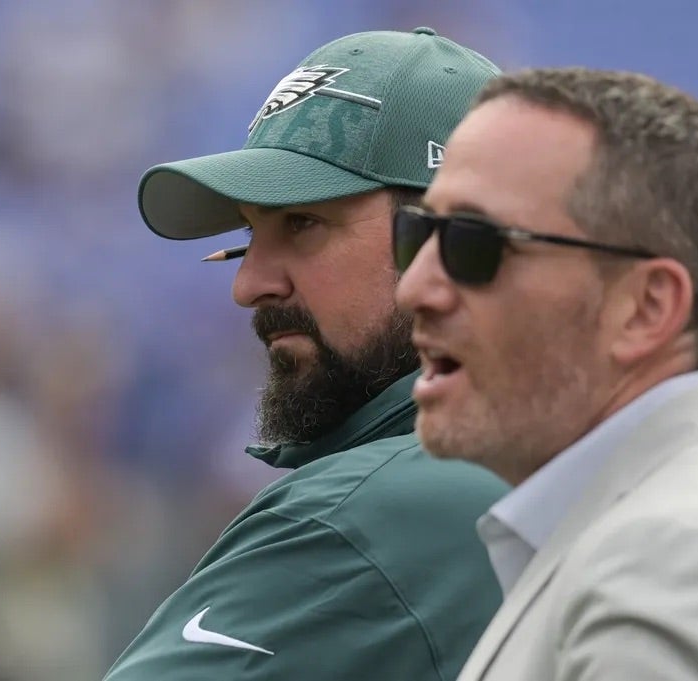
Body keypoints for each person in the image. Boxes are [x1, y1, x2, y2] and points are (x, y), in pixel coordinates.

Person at [394, 66, 698, 680]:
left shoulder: (679, 562)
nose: (413, 288)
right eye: (415, 233)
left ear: (646, 309)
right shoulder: (687, 527)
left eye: (473, 242)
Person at [103, 28, 511, 681]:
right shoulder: (587, 462)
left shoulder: (361, 515)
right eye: (247, 235)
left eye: (303, 223)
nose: (247, 284)